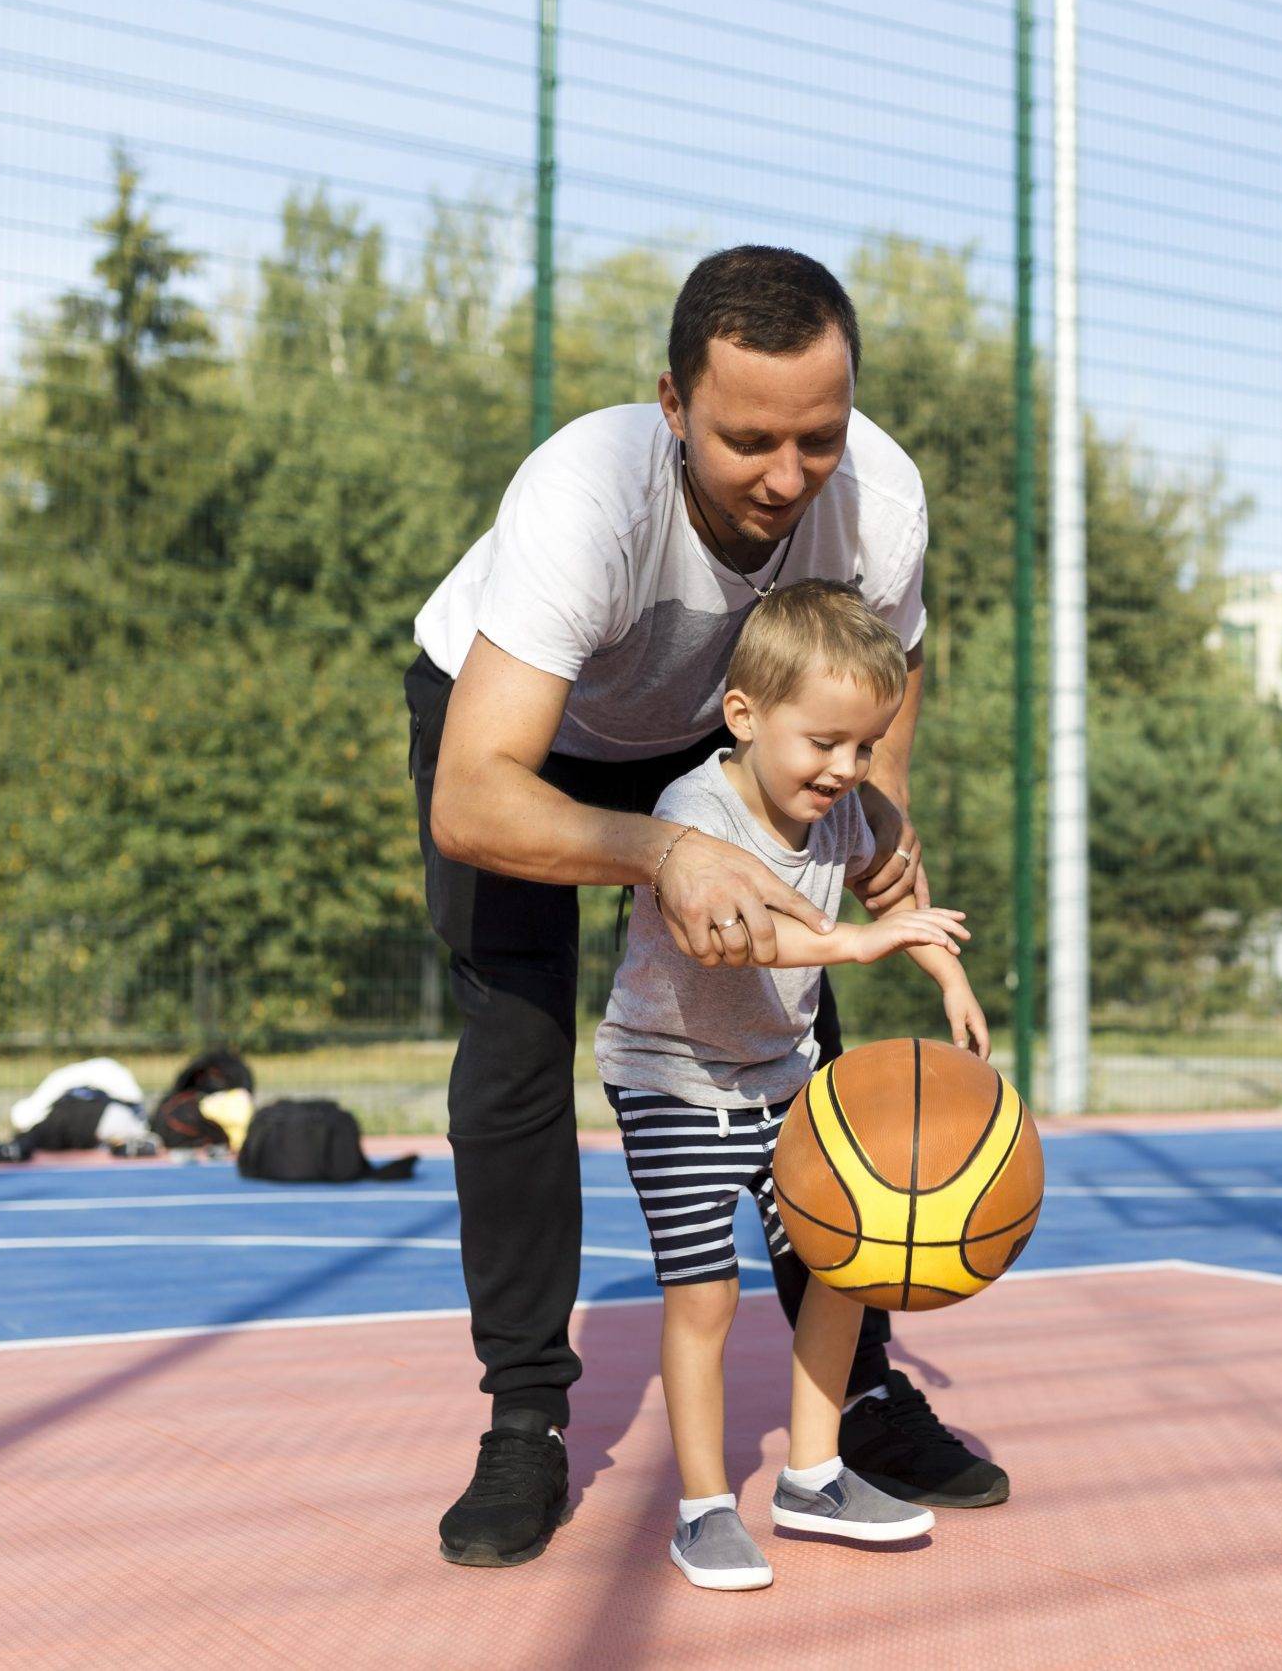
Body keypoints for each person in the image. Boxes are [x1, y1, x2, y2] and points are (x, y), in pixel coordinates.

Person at [408, 245, 1008, 1570]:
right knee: (515, 1040)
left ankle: (854, 1395)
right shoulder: (589, 493)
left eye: (818, 436)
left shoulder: (881, 499)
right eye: (748, 440)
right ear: (674, 404)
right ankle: (525, 1417)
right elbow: (474, 797)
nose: (788, 477)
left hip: (708, 727)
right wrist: (663, 855)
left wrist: (874, 828)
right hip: (522, 739)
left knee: (806, 1020)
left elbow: (879, 682)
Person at [599, 582, 988, 1591]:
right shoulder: (695, 809)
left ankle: (812, 1476)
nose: (847, 769)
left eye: (864, 746)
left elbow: (891, 892)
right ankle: (701, 1508)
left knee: (841, 1266)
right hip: (673, 1082)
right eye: (824, 742)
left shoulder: (844, 812)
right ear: (745, 715)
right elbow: (734, 935)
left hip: (784, 1083)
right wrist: (857, 943)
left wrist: (943, 969)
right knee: (706, 1297)